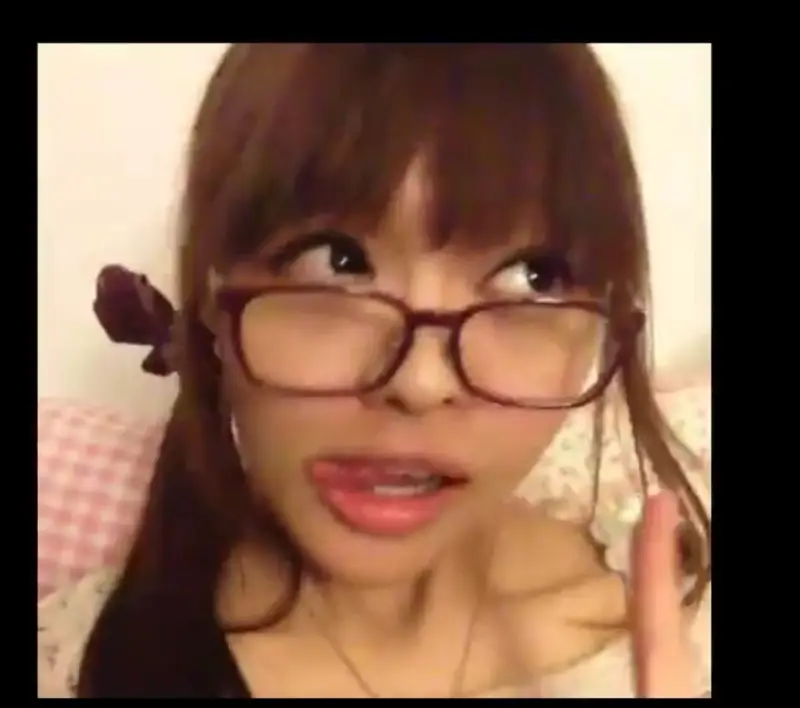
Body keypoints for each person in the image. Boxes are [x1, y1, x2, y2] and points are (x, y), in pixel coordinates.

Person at [37, 44, 711, 698]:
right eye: (336, 263)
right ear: (212, 300)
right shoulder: (79, 666)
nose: (420, 382)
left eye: (532, 278)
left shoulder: (685, 623)